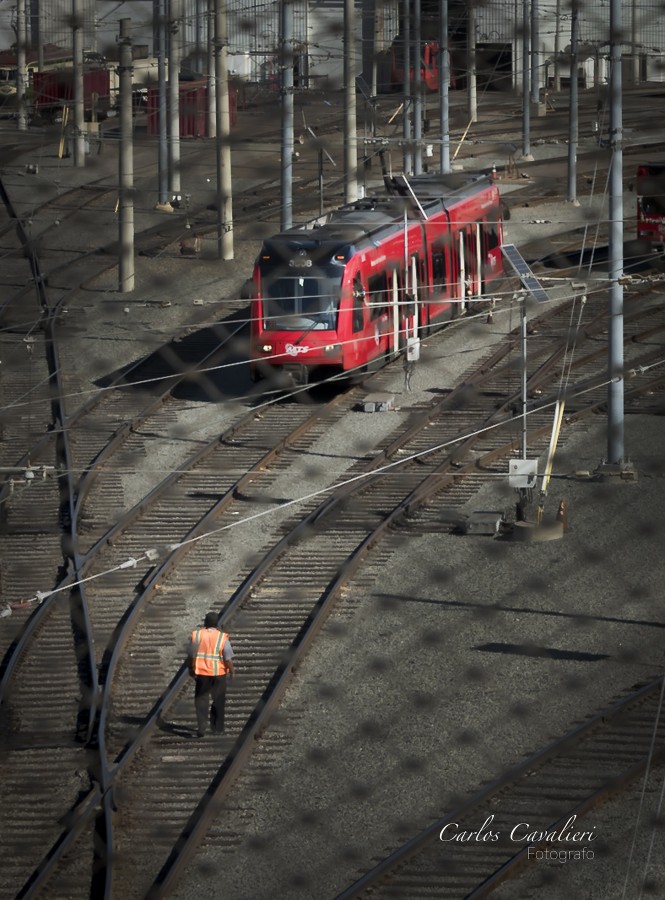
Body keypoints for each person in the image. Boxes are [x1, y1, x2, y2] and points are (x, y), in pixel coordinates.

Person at [188, 612, 235, 737]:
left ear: (205, 623)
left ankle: (201, 727)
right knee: (218, 701)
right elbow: (227, 658)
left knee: (201, 701)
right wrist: (232, 671)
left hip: (202, 674)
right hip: (218, 674)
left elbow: (190, 654)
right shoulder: (222, 637)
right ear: (217, 624)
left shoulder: (197, 635)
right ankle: (217, 728)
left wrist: (190, 668)